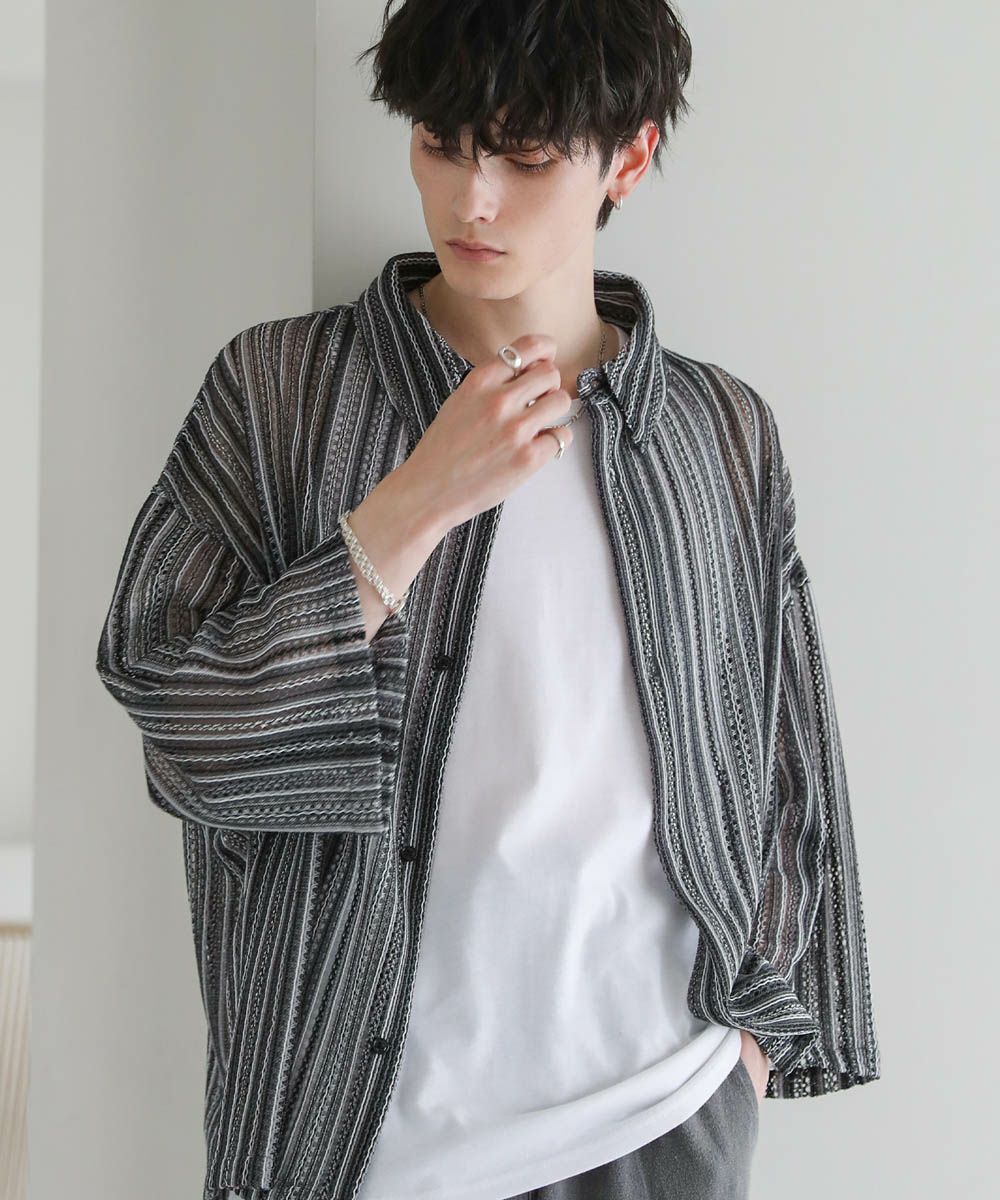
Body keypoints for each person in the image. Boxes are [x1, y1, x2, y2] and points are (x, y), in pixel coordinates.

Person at [95, 3, 881, 1199]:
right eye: (441, 144)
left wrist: (750, 1050)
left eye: (523, 158)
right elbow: (178, 717)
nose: (471, 200)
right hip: (356, 1137)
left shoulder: (717, 432)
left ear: (628, 158)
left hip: (659, 1117)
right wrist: (410, 506)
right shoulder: (281, 394)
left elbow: (782, 753)